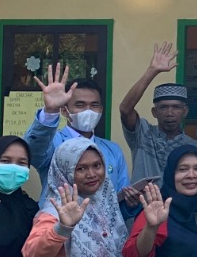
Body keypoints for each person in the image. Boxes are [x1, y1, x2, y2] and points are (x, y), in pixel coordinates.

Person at [24, 63, 134, 201]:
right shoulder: (53, 143)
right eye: (80, 105)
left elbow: (118, 203)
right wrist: (50, 111)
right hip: (59, 220)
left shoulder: (113, 150)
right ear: (64, 110)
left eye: (94, 105)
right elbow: (33, 152)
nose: (88, 111)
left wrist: (130, 204)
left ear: (101, 110)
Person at [118, 42, 197, 185]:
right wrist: (152, 71)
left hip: (177, 207)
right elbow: (125, 109)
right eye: (163, 107)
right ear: (154, 112)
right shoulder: (142, 134)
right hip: (141, 206)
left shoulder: (193, 147)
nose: (169, 113)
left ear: (185, 111)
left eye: (176, 107)